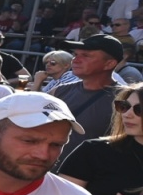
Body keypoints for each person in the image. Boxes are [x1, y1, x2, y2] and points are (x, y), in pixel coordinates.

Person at [51, 35, 124, 163]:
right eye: (75, 54)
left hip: (92, 178)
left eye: (86, 56)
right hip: (49, 173)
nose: (75, 60)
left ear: (109, 64)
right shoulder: (59, 91)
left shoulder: (127, 99)